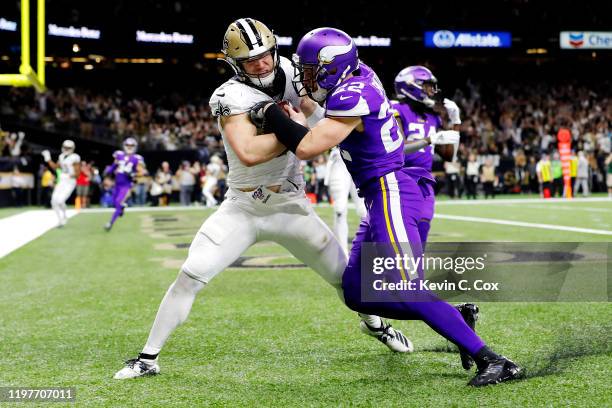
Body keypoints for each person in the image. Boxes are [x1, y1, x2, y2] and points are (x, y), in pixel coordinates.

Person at [114, 19, 408, 381]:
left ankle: (376, 326)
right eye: (250, 60)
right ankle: (148, 357)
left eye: (265, 54)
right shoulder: (228, 95)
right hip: (243, 207)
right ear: (234, 63)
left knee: (346, 281)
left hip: (291, 205)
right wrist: (298, 132)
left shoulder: (291, 71)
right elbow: (250, 151)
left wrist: (300, 127)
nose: (261, 64)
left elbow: (322, 122)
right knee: (191, 274)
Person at [253, 27, 521, 386]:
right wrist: (300, 107)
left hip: (392, 190)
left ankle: (493, 359)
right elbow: (319, 116)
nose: (306, 78)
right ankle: (455, 316)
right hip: (381, 192)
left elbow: (308, 146)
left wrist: (271, 115)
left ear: (333, 67)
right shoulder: (356, 77)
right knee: (356, 291)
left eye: (312, 69)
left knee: (407, 286)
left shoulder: (352, 94)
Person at [324, 147, 366, 255]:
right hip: (339, 159)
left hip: (359, 158)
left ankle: (368, 249)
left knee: (365, 211)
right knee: (340, 210)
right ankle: (342, 252)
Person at [103, 137, 145, 231]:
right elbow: (114, 165)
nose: (129, 147)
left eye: (131, 145)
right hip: (117, 183)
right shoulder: (119, 155)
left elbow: (142, 172)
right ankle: (121, 208)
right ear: (124, 145)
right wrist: (109, 170)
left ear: (135, 147)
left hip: (126, 185)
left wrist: (133, 174)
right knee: (114, 202)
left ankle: (110, 223)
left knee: (118, 202)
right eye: (128, 145)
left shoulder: (137, 158)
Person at [42, 140, 80, 227]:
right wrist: (48, 159)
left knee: (60, 200)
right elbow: (56, 167)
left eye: (68, 148)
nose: (66, 149)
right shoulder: (61, 156)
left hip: (70, 181)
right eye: (65, 147)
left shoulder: (75, 157)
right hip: (62, 181)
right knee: (53, 201)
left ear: (72, 148)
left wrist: (69, 175)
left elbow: (77, 173)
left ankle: (64, 216)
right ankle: (60, 220)